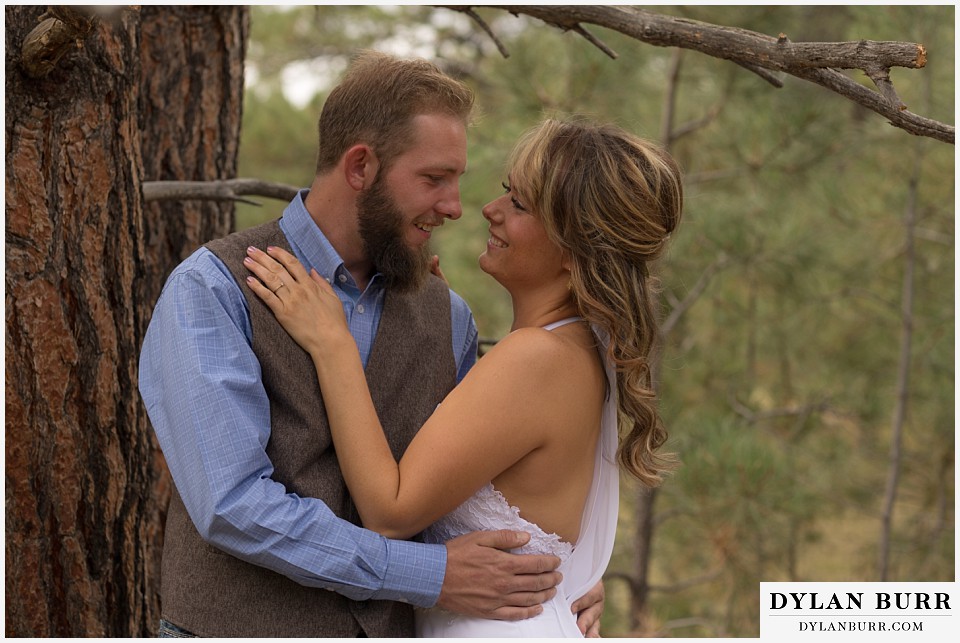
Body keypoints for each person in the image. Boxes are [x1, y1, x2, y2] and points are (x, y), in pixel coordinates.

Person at [140, 52, 607, 638]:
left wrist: (557, 571)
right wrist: (426, 575)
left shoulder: (449, 318)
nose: (456, 207)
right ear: (361, 166)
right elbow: (233, 506)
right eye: (434, 179)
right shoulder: (212, 288)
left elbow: (472, 489)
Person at [243, 118, 684, 636]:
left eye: (519, 205)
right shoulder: (578, 350)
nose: (489, 210)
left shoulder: (535, 359)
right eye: (505, 192)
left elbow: (390, 511)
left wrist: (333, 343)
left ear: (575, 247)